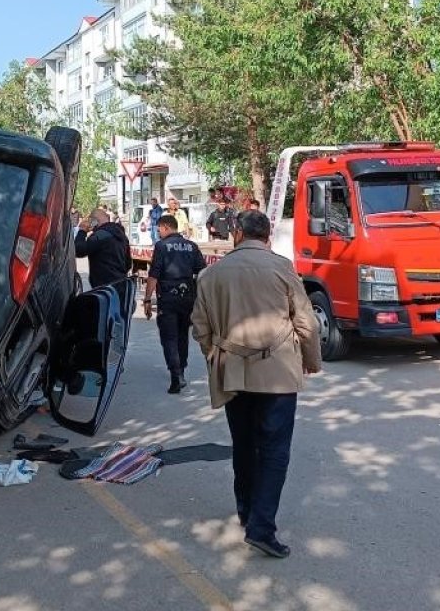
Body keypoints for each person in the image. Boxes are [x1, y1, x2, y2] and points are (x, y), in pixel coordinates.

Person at [191, 210, 322, 559]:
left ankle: (247, 512)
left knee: (244, 445)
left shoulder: (211, 273)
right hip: (278, 373)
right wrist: (310, 361)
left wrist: (217, 357)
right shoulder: (282, 268)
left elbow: (200, 329)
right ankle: (262, 527)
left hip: (233, 372)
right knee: (275, 451)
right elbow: (307, 323)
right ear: (267, 236)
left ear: (236, 232)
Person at [143, 215, 207, 393]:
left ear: (165, 227)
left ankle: (176, 375)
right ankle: (182, 372)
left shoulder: (161, 246)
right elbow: (202, 272)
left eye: (159, 230)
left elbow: (154, 275)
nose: (158, 233)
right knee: (182, 335)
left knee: (169, 337)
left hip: (168, 298)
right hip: (187, 298)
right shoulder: (191, 246)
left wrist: (147, 299)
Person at [75, 208, 131, 287]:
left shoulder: (99, 236)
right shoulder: (121, 235)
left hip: (105, 288)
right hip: (121, 284)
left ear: (94, 222)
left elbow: (79, 250)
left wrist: (82, 231)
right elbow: (128, 263)